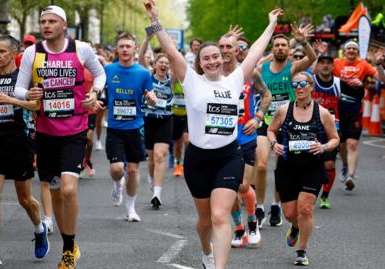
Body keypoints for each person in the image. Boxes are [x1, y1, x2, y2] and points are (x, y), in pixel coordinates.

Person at [144, 1, 281, 267]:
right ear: (200, 62)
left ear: (223, 58)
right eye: (205, 58)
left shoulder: (236, 79)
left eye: (215, 56)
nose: (211, 61)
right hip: (198, 160)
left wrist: (271, 25)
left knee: (220, 216)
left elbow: (255, 51)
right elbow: (171, 51)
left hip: (229, 156)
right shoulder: (192, 80)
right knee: (205, 221)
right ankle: (205, 249)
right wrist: (155, 19)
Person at [14, 5, 106, 269]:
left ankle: (68, 250)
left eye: (52, 21)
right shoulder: (33, 52)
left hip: (75, 130)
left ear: (63, 25)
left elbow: (100, 74)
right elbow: (19, 88)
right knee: (55, 192)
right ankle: (70, 243)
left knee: (68, 188)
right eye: (43, 21)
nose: (46, 25)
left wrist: (95, 92)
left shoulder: (81, 49)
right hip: (45, 132)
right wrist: (27, 94)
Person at [0, 35, 49, 266]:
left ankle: (39, 229)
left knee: (24, 198)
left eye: (2, 52)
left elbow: (36, 106)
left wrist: (11, 99)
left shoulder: (24, 79)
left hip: (21, 142)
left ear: (14, 52)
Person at [267, 71, 339, 266]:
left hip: (312, 167)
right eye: (295, 84)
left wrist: (323, 147)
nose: (298, 88)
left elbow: (335, 139)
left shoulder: (322, 113)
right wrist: (274, 144)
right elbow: (271, 130)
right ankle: (296, 227)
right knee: (291, 214)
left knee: (305, 209)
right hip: (288, 166)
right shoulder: (283, 110)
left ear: (311, 87)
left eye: (302, 84)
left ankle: (302, 250)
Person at [257, 25, 316, 227]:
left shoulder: (292, 68)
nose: (281, 48)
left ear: (289, 50)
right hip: (266, 122)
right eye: (277, 46)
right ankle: (258, 206)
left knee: (280, 167)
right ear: (272, 49)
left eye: (284, 45)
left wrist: (303, 41)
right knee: (262, 164)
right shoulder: (262, 70)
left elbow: (312, 58)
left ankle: (275, 204)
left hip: (287, 123)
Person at [104, 31, 156, 220]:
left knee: (133, 170)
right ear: (116, 49)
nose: (125, 49)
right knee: (118, 169)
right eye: (121, 46)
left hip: (135, 127)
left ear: (134, 49)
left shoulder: (143, 73)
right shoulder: (108, 70)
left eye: (128, 46)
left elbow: (151, 99)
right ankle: (118, 184)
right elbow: (100, 93)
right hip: (115, 128)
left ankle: (131, 207)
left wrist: (151, 98)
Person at [218, 32, 262, 248]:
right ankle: (238, 228)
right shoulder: (212, 74)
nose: (225, 51)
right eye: (222, 47)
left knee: (243, 186)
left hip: (245, 136)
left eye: (229, 47)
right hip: (222, 139)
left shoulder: (248, 73)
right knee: (229, 188)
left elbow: (267, 95)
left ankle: (252, 221)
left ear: (238, 50)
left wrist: (258, 117)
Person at [333, 40, 385, 191]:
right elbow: (317, 71)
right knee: (340, 145)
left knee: (352, 144)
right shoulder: (337, 63)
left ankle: (350, 175)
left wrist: (379, 64)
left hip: (355, 111)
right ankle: (344, 165)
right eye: (348, 48)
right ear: (344, 50)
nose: (351, 50)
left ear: (358, 51)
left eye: (354, 49)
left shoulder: (363, 64)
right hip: (337, 111)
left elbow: (382, 79)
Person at [139, 38, 173, 209]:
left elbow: (176, 60)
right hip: (148, 120)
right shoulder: (147, 76)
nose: (164, 65)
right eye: (161, 62)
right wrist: (147, 39)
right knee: (152, 159)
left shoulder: (171, 80)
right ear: (155, 64)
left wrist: (170, 46)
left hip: (165, 120)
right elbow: (140, 57)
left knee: (160, 156)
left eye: (167, 63)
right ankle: (152, 180)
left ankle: (157, 194)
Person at [313, 55, 342, 208]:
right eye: (322, 63)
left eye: (328, 63)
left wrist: (359, 86)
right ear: (317, 66)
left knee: (329, 164)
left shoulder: (339, 83)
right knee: (311, 163)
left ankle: (324, 196)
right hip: (312, 127)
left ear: (333, 66)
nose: (325, 66)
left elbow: (357, 95)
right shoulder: (310, 82)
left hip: (332, 128)